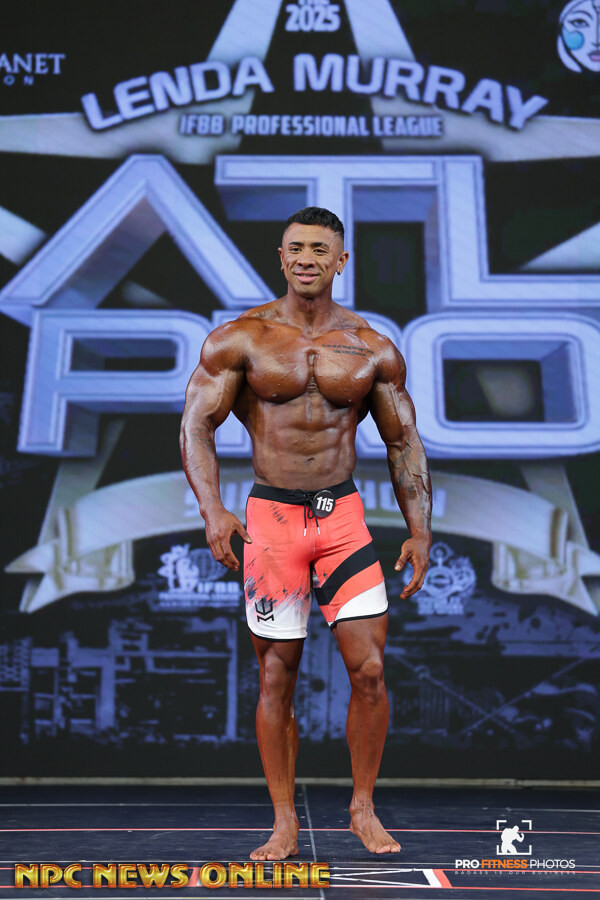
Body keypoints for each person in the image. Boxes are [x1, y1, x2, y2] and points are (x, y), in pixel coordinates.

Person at [180, 206, 431, 860]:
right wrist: (213, 510)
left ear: (341, 261)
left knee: (369, 671)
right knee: (275, 676)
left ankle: (363, 807)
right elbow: (196, 425)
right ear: (281, 256)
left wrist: (420, 530)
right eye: (296, 248)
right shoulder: (242, 339)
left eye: (320, 249)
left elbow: (403, 441)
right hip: (272, 521)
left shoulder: (371, 347)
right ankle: (284, 821)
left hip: (341, 520)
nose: (306, 259)